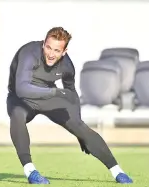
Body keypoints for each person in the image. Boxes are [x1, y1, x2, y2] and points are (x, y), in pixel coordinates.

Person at [7, 27, 133, 184]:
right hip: (20, 99)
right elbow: (22, 88)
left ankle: (117, 172)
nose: (51, 54)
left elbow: (71, 94)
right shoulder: (29, 53)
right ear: (43, 44)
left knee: (80, 126)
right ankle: (30, 171)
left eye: (57, 50)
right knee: (17, 115)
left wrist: (77, 130)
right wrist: (54, 93)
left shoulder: (67, 66)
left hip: (46, 96)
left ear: (64, 51)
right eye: (48, 47)